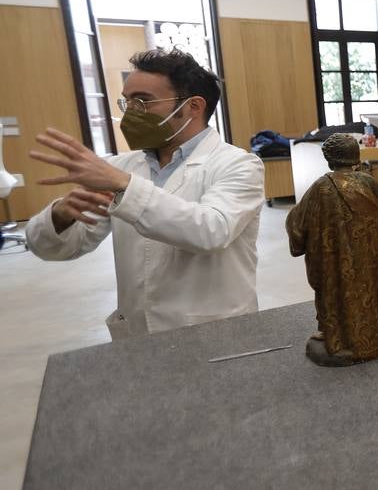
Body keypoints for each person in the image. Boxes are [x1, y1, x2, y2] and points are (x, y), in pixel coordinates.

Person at [26, 49, 264, 339]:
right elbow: (60, 248)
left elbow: (211, 231)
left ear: (193, 106)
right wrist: (61, 216)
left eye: (143, 101)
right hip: (139, 334)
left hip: (212, 330)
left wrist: (125, 185)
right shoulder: (123, 168)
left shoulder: (238, 164)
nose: (131, 112)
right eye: (127, 102)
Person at [286, 134, 378, 366]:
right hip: (368, 256)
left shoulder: (321, 188)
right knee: (368, 290)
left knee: (337, 291)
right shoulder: (367, 182)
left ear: (328, 158)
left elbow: (298, 223)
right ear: (356, 156)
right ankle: (372, 336)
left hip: (337, 259)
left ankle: (341, 340)